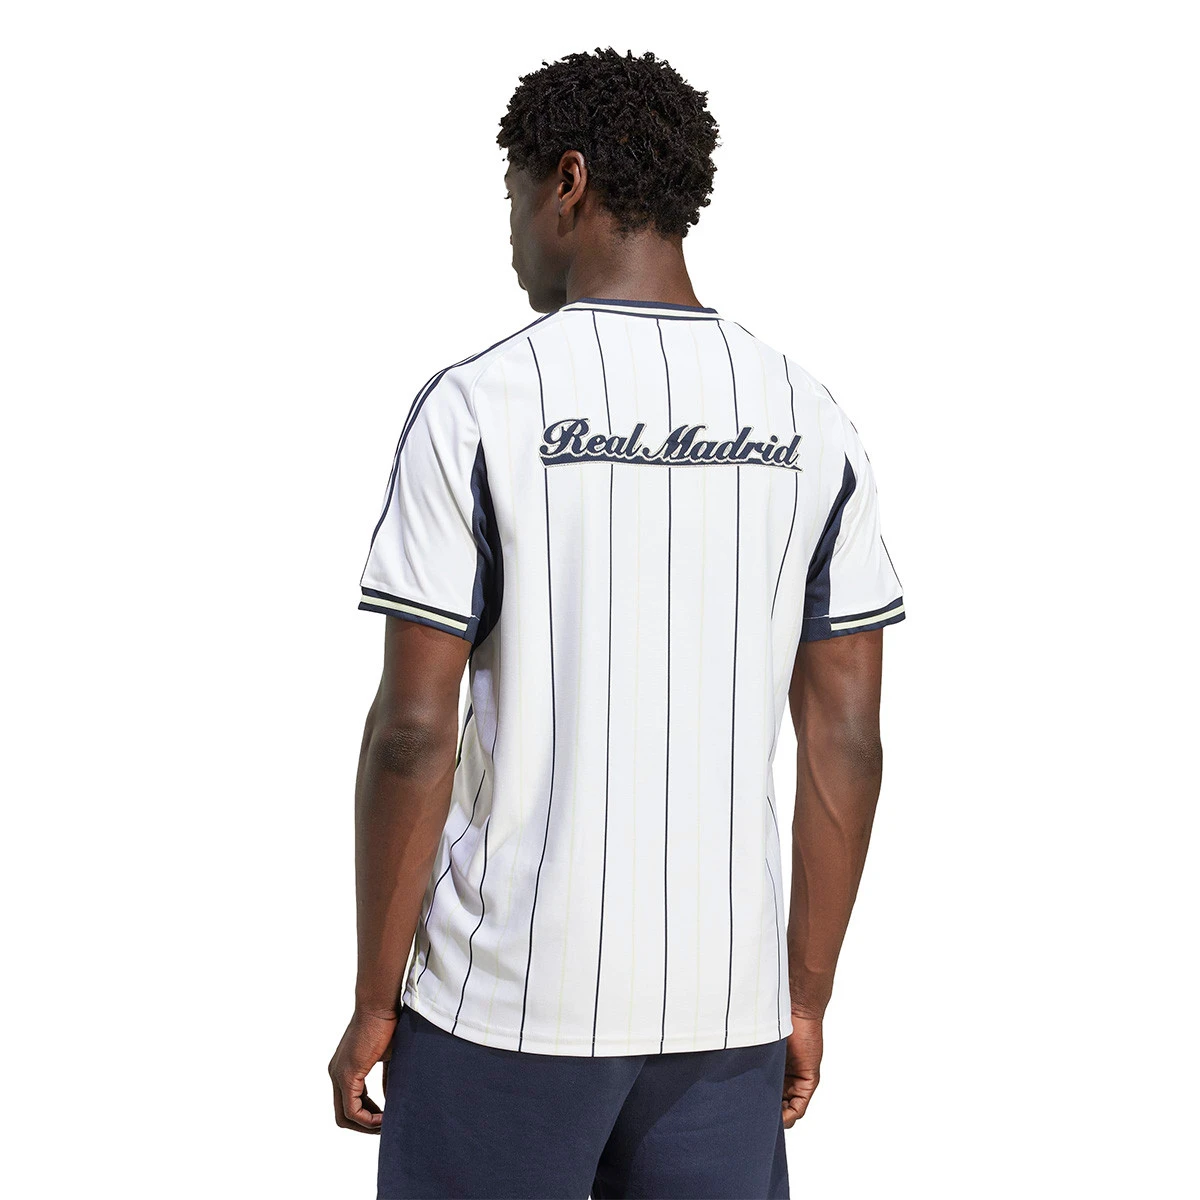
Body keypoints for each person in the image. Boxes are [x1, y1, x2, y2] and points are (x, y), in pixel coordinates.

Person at [328, 47, 905, 1200]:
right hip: (726, 1018)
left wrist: (375, 998)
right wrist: (805, 997)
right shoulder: (811, 418)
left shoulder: (479, 407)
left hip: (503, 1007)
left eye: (513, 196)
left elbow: (411, 733)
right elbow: (846, 739)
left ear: (569, 182)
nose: (510, 235)